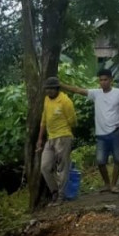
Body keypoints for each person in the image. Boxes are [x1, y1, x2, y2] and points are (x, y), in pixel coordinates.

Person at [60, 69, 119, 192]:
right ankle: (106, 184)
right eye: (100, 80)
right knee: (100, 161)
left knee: (118, 159)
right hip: (101, 133)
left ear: (111, 80)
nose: (103, 82)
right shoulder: (96, 93)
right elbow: (78, 90)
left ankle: (114, 185)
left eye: (105, 79)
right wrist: (61, 85)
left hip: (116, 131)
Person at [37, 77, 77, 205]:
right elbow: (44, 120)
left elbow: (73, 121)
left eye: (51, 88)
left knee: (62, 168)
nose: (49, 91)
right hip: (50, 138)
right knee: (45, 166)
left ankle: (61, 196)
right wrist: (39, 139)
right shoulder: (47, 100)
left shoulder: (65, 101)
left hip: (63, 136)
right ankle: (54, 191)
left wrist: (65, 134)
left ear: (57, 88)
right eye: (47, 89)